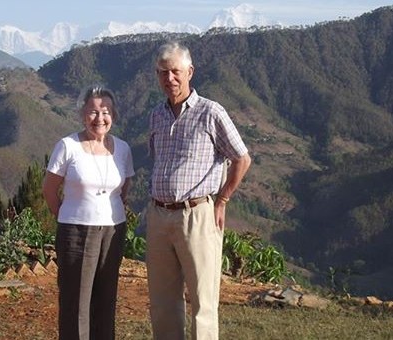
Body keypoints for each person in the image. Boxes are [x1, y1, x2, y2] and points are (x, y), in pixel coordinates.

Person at [145, 41, 252, 340]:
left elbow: (242, 158)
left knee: (203, 302)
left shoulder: (210, 112)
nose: (170, 79)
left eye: (176, 71)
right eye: (163, 73)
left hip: (198, 215)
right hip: (158, 214)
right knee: (162, 301)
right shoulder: (156, 115)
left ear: (190, 72)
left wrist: (223, 199)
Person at [42, 85, 135, 340]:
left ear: (113, 115)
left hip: (113, 230)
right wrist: (67, 215)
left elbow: (124, 187)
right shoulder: (67, 146)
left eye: (105, 112)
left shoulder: (123, 149)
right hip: (76, 231)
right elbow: (49, 189)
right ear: (83, 113)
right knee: (77, 301)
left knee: (106, 297)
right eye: (93, 112)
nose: (99, 118)